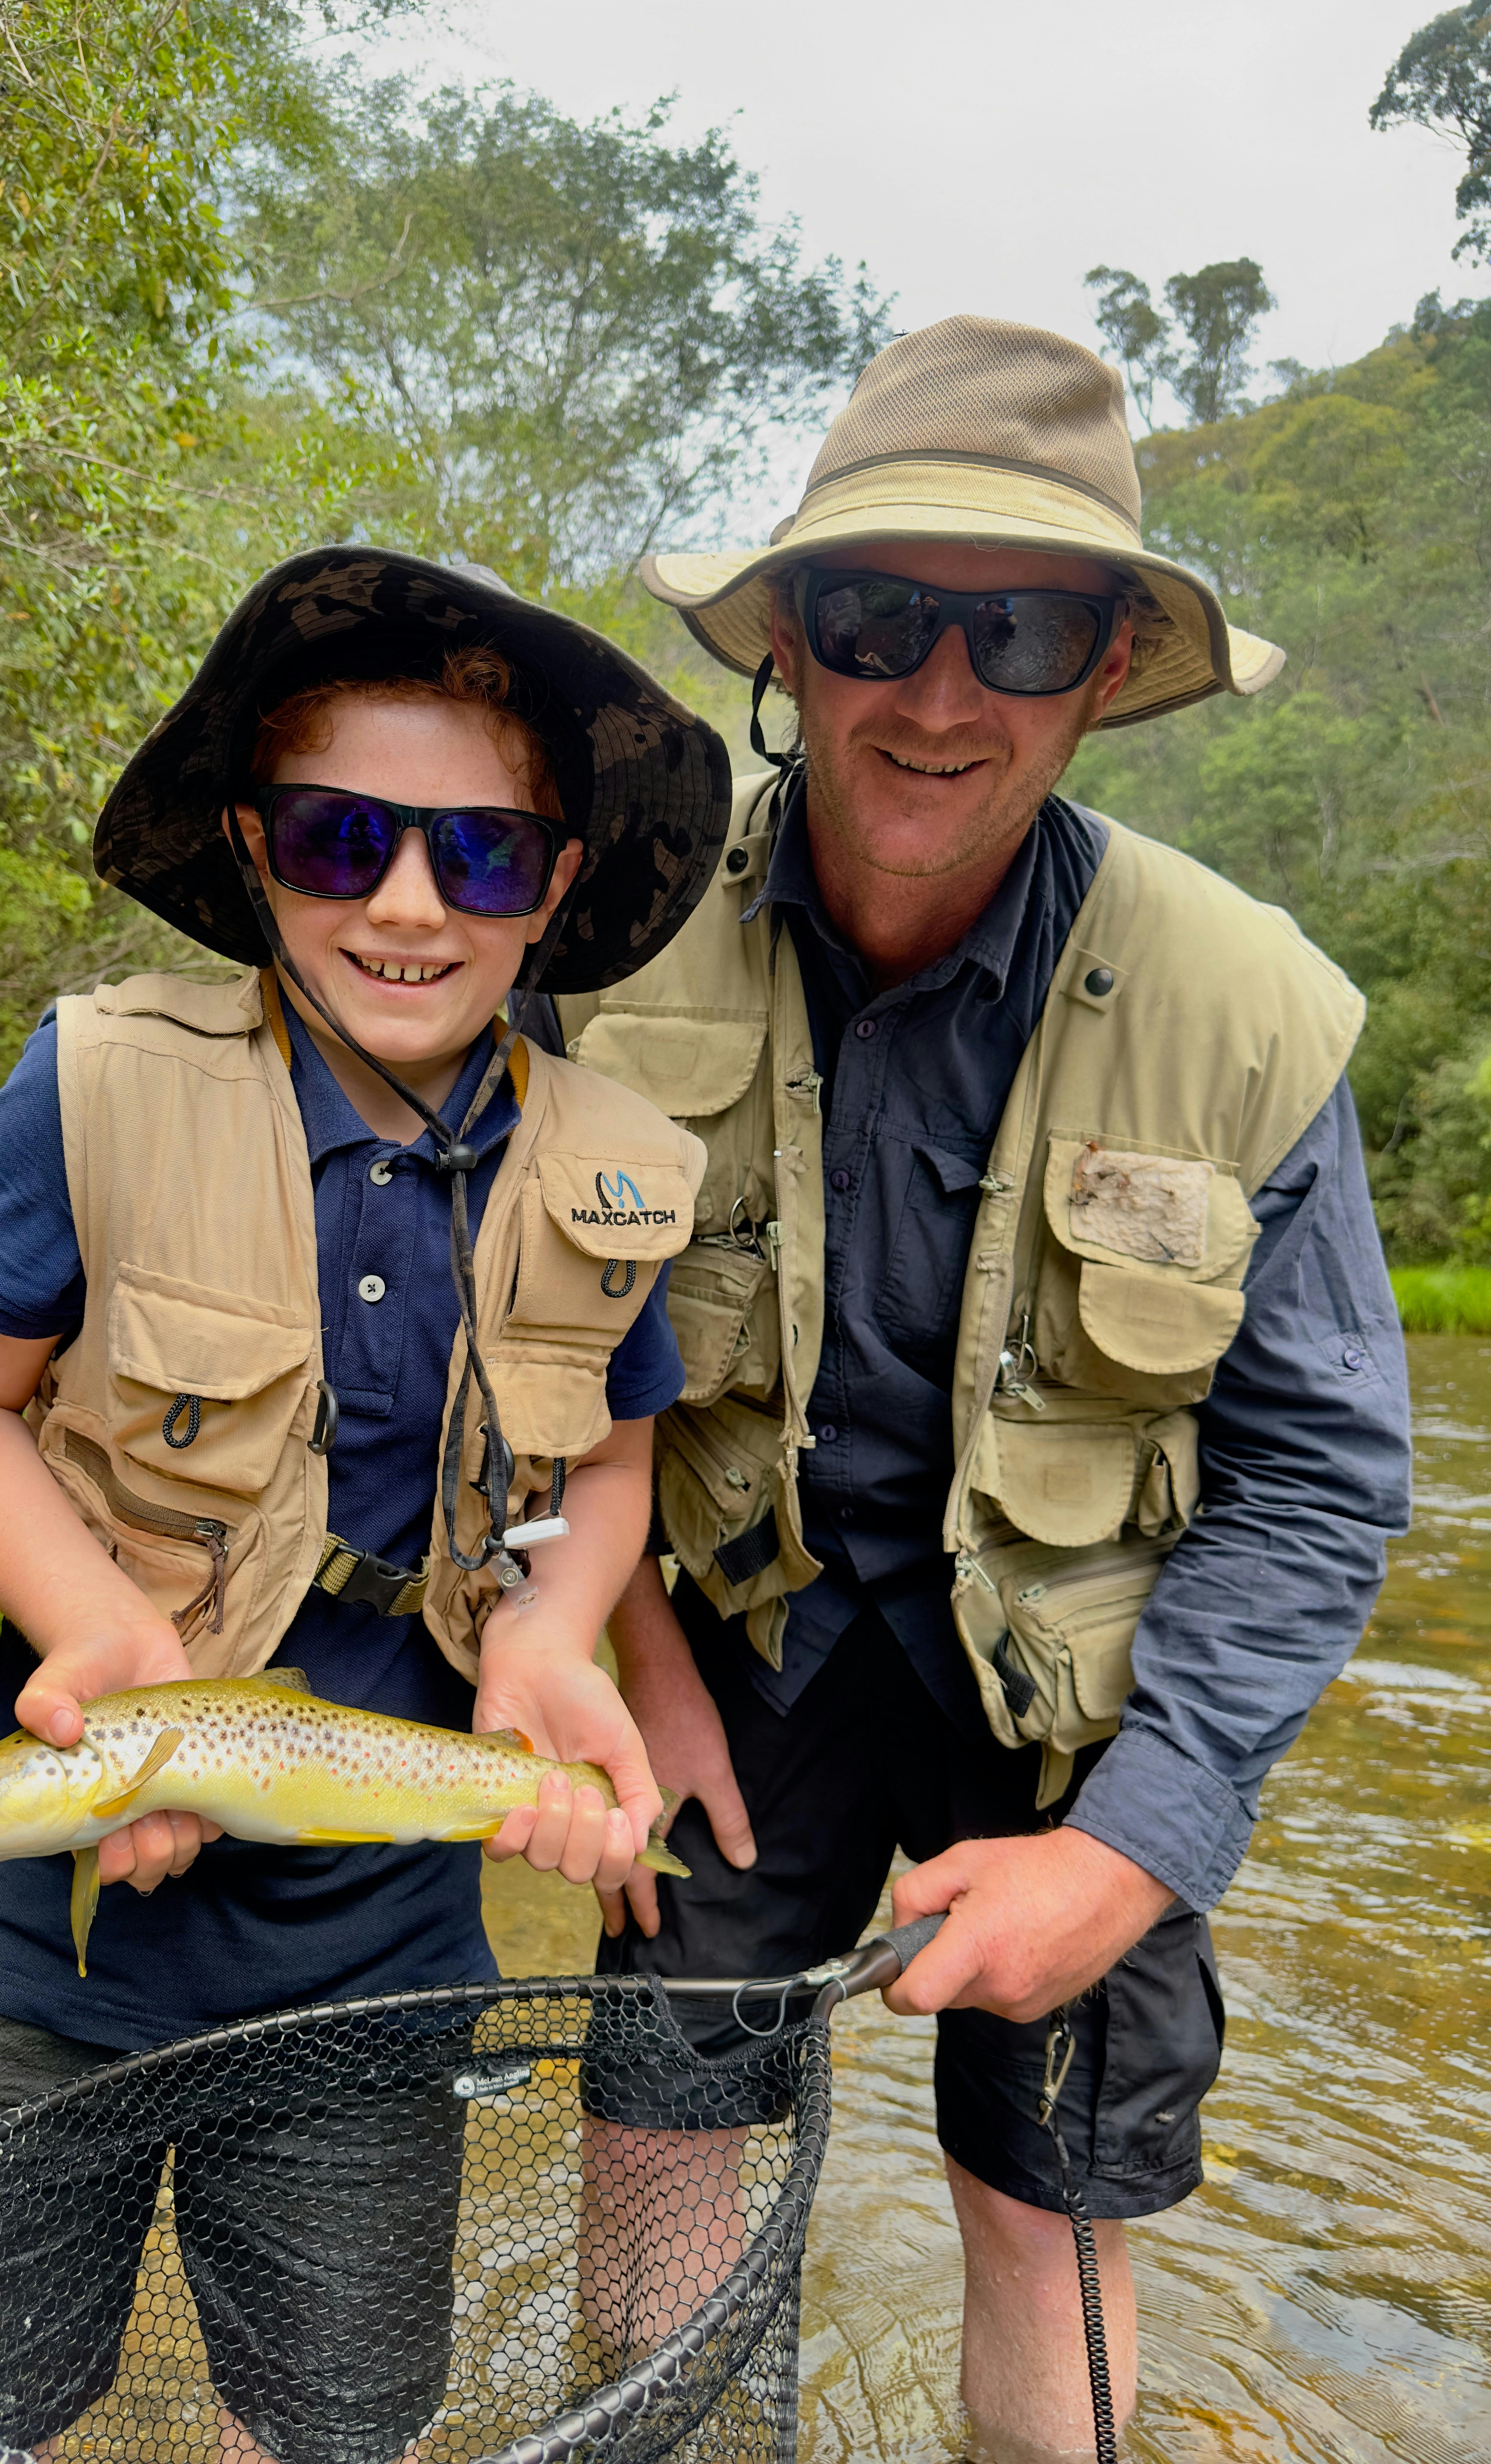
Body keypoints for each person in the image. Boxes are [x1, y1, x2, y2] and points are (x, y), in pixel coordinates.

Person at [559, 317, 1413, 2461]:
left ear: (1104, 668)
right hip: (730, 1645)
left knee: (1052, 2209)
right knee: (664, 2124)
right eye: (879, 619)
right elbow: (514, 1361)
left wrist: (1135, 1850)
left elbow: (1316, 1482)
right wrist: (622, 1638)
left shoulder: (1250, 1012)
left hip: (1080, 1702)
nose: (940, 696)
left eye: (1018, 630)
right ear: (796, 644)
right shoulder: (603, 941)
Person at [0, 548, 732, 2464]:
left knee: (324, 2425)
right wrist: (103, 1635)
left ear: (556, 883)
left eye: (479, 857)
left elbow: (606, 1462)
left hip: (382, 1957)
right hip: (35, 1945)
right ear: (254, 848)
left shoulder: (624, 1169)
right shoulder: (97, 1086)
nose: (407, 904)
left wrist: (558, 1635)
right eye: (341, 838)